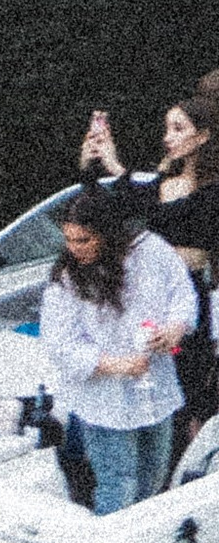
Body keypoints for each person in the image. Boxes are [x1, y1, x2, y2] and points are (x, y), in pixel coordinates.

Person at [37, 184, 196, 513]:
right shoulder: (66, 278)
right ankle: (108, 541)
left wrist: (175, 329)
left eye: (84, 240)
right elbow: (60, 344)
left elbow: (182, 293)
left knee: (154, 478)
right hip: (105, 399)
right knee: (118, 484)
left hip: (156, 388)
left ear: (108, 234)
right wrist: (117, 365)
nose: (74, 248)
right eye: (69, 240)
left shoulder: (151, 250)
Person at [81, 88, 219, 437]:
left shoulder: (211, 192)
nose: (168, 137)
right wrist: (99, 162)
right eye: (167, 128)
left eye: (178, 129)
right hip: (152, 298)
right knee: (152, 379)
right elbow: (117, 203)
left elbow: (183, 223)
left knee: (190, 385)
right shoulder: (164, 183)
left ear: (203, 136)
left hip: (188, 299)